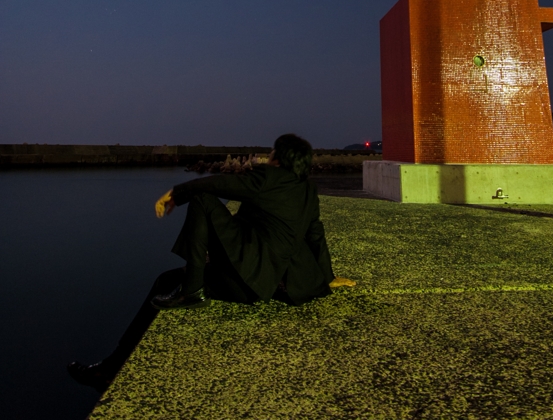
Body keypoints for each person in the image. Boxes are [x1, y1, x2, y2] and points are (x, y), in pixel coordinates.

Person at [68, 134, 355, 392]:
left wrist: (177, 193)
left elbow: (218, 184)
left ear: (278, 159)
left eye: (271, 153)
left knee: (171, 270)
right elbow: (316, 235)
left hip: (247, 284)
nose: (268, 157)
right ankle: (185, 290)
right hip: (283, 285)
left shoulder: (268, 179)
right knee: (171, 278)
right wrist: (328, 277)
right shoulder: (307, 192)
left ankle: (112, 367)